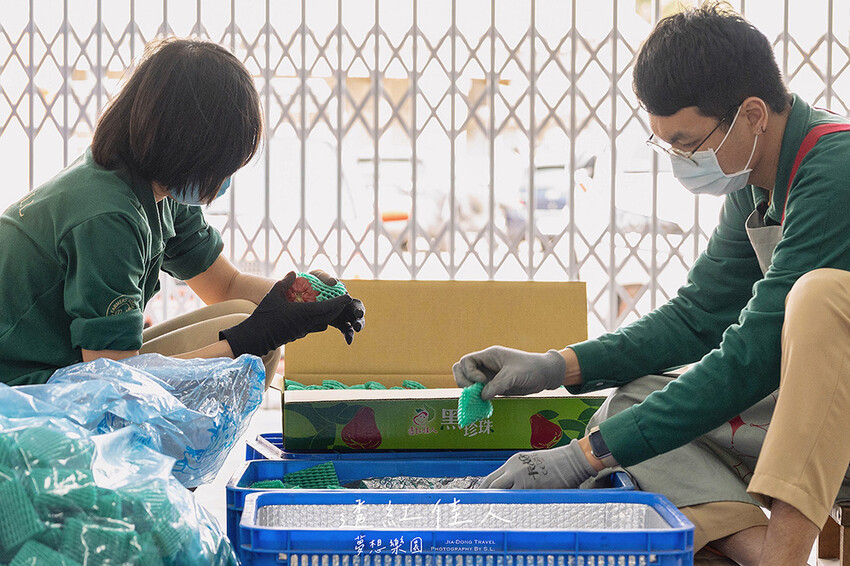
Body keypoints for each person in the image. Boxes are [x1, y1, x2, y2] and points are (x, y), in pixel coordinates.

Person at [453, 3, 850, 565]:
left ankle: (782, 558)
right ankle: (761, 551)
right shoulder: (756, 179)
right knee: (631, 405)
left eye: (688, 143)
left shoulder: (836, 170)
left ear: (753, 114)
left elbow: (753, 353)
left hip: (839, 417)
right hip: (821, 407)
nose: (681, 161)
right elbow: (697, 318)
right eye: (666, 144)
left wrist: (580, 459)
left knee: (815, 299)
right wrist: (556, 365)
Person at [0, 38, 364, 389]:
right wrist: (247, 340)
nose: (224, 180)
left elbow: (226, 285)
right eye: (223, 165)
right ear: (189, 150)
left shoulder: (155, 186)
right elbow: (113, 383)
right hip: (21, 388)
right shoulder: (109, 218)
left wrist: (299, 300)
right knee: (251, 349)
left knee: (246, 322)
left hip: (73, 367)